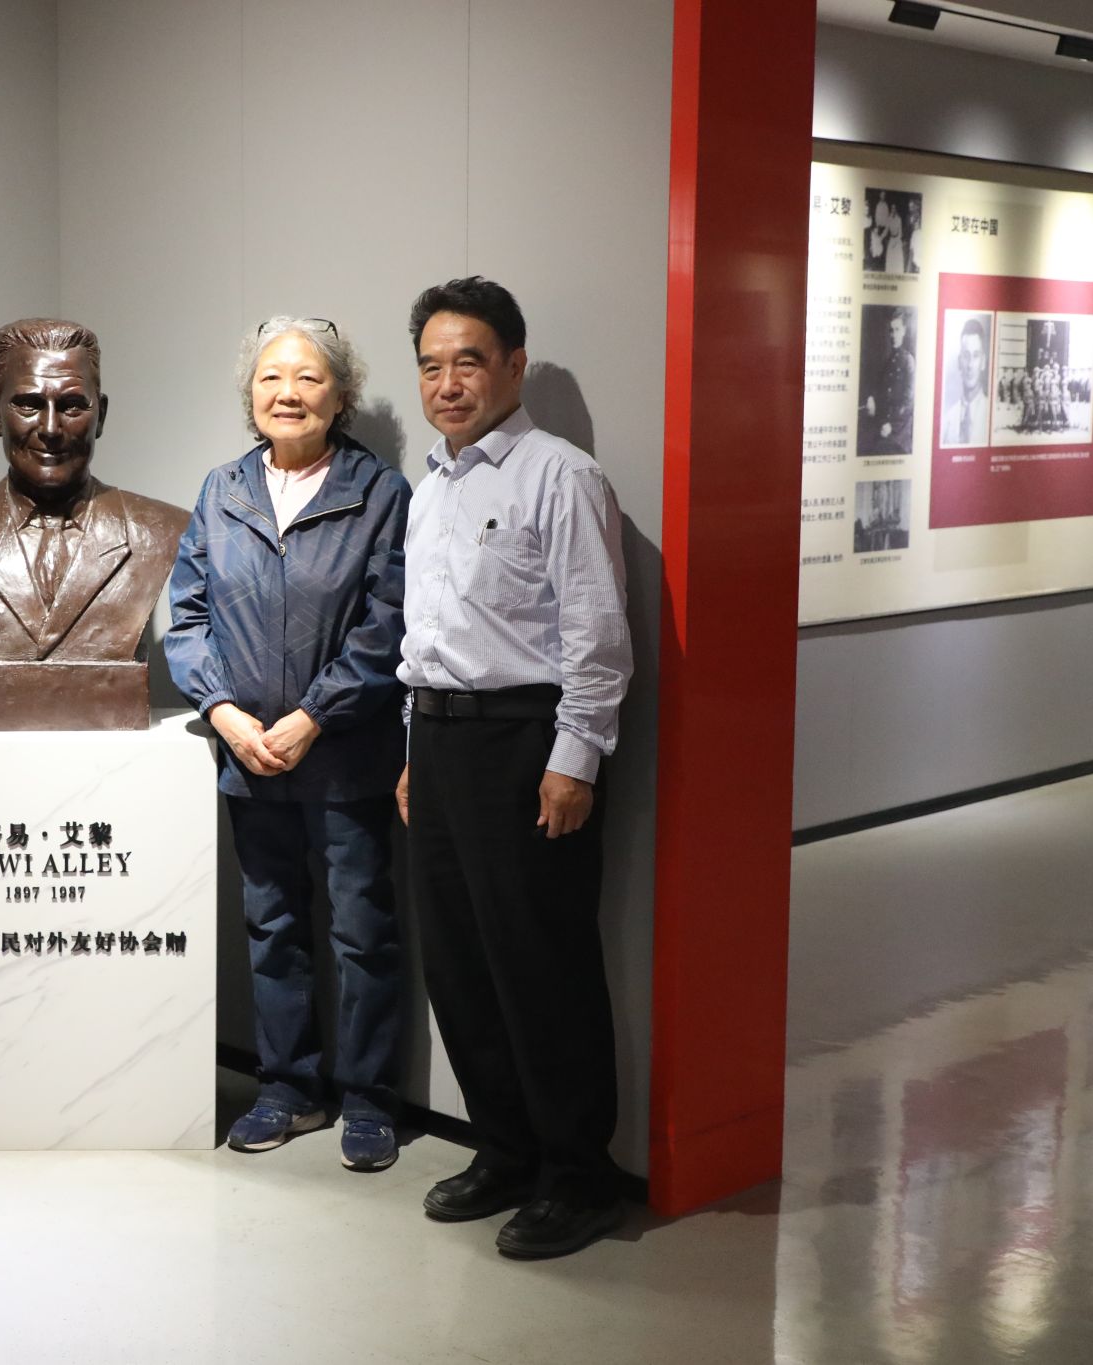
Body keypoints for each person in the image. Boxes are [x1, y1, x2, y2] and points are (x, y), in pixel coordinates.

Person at [393, 278, 633, 1259]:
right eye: (430, 366)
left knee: (542, 964)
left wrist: (575, 759)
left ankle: (578, 1175)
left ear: (513, 365)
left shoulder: (559, 476)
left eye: (469, 362)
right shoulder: (429, 489)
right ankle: (504, 1149)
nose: (448, 384)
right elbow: (424, 636)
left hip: (525, 744)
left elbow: (596, 635)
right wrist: (413, 747)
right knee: (458, 962)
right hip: (438, 742)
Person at [165, 317, 413, 1171]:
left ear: (341, 396)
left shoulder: (379, 493)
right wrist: (224, 713)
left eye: (309, 377)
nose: (288, 392)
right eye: (271, 377)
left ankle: (370, 1099)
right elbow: (186, 616)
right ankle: (288, 1087)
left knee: (362, 931)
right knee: (271, 925)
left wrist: (313, 715)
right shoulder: (222, 490)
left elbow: (389, 623)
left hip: (345, 755)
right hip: (250, 758)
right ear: (251, 395)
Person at [0, 319, 189, 729]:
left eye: (72, 406)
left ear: (101, 415)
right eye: (28, 404)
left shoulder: (162, 529)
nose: (49, 429)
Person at [860, 310, 915, 454]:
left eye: (897, 330)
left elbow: (909, 403)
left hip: (900, 436)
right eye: (891, 331)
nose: (893, 335)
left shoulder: (908, 362)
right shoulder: (889, 362)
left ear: (904, 331)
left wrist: (892, 425)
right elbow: (882, 394)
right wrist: (872, 399)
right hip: (884, 429)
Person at [941, 317, 990, 447]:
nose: (970, 365)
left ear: (983, 362)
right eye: (966, 356)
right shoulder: (948, 420)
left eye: (976, 356)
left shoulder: (990, 412)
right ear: (959, 362)